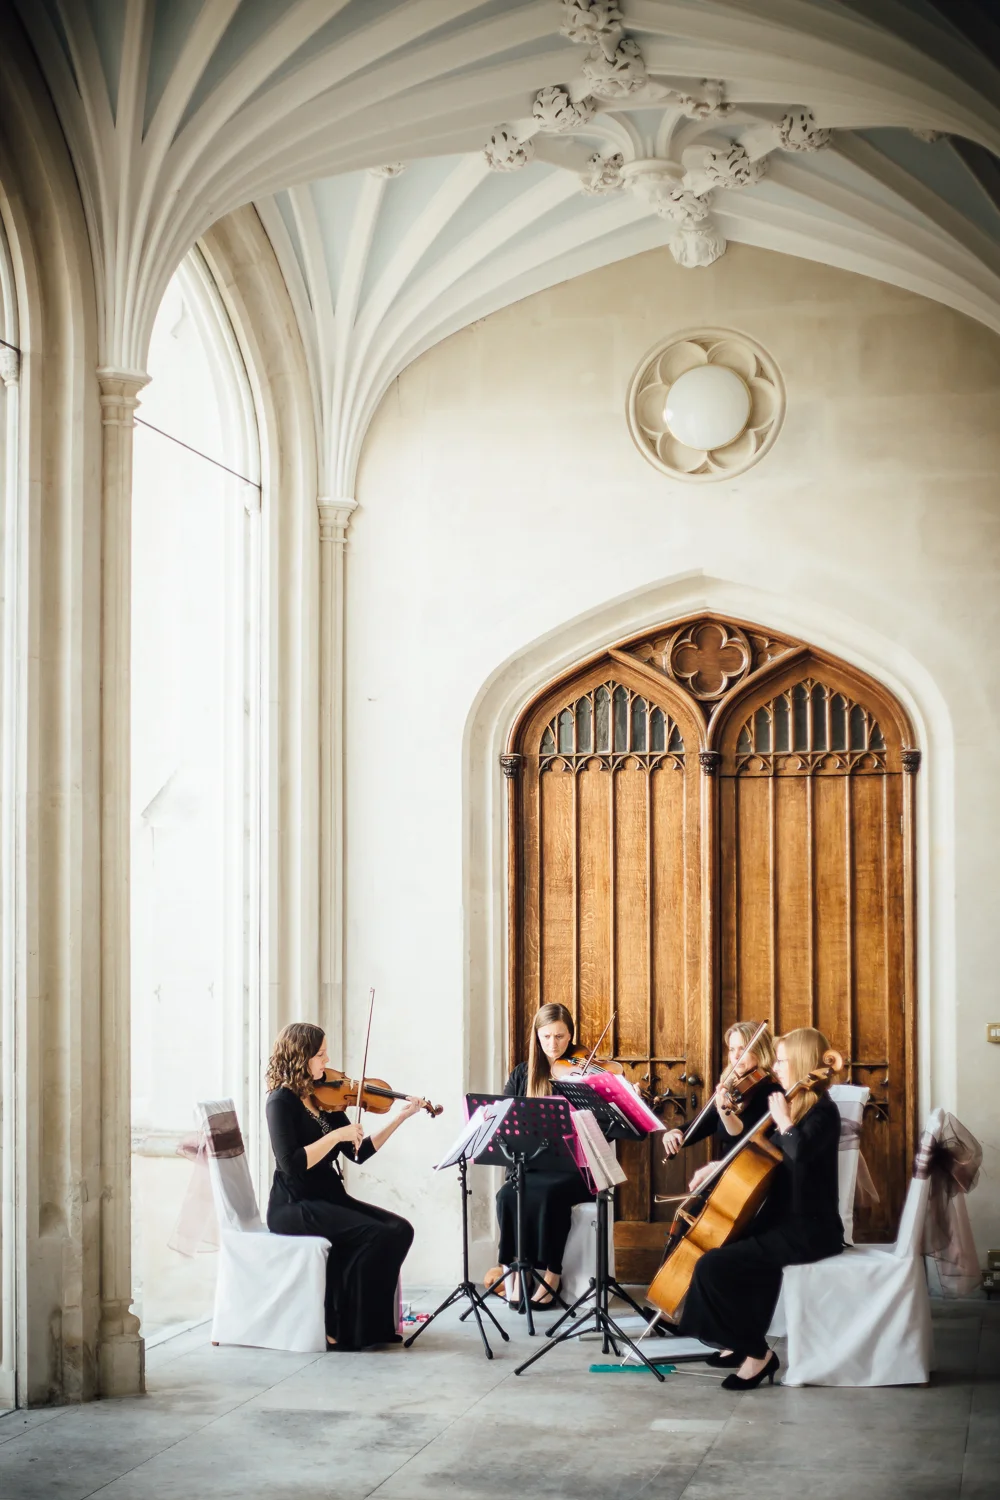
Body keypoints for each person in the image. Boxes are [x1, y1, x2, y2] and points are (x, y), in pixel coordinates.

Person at [675, 1027, 844, 1388]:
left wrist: (783, 1121)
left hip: (811, 1230)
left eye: (782, 1060)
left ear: (800, 1061)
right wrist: (716, 1167)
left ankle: (757, 1352)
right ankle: (744, 1347)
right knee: (722, 1254)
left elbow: (800, 1158)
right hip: (781, 1218)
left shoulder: (822, 1112)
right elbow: (758, 1152)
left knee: (713, 1266)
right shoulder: (795, 1102)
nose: (777, 1067)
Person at [265, 1021, 420, 1350]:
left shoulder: (324, 1097)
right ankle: (339, 1325)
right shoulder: (281, 1101)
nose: (327, 1060)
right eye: (320, 1055)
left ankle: (373, 1324)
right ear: (300, 1057)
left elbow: (359, 1153)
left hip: (329, 1197)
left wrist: (399, 1118)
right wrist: (336, 1135)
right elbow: (290, 1165)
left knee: (399, 1229)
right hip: (295, 1205)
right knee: (376, 1233)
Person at [485, 1002, 595, 1307]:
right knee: (506, 1196)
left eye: (560, 1037)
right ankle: (517, 1270)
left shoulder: (583, 1071)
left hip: (573, 1168)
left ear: (570, 1035)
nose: (553, 1044)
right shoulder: (523, 1073)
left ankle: (551, 1274)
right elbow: (504, 1119)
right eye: (546, 1037)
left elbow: (602, 1125)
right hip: (533, 1165)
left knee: (549, 1194)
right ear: (537, 1036)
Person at [662, 1021, 782, 1190]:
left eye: (743, 1048)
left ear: (760, 1050)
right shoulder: (735, 1085)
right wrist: (678, 1132)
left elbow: (740, 1136)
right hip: (729, 1171)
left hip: (748, 1177)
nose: (736, 1055)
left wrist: (724, 1109)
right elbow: (708, 1121)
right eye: (732, 1049)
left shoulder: (770, 1090)